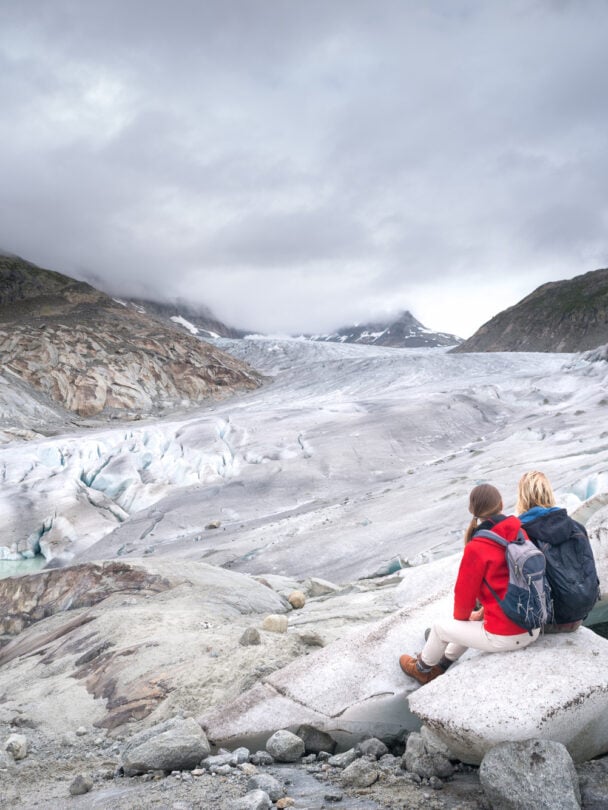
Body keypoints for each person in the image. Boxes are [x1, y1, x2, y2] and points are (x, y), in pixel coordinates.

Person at [399, 483, 540, 685]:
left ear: (472, 511)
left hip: (505, 636)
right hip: (532, 627)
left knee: (440, 628)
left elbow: (463, 601)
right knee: (472, 620)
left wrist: (464, 620)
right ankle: (443, 664)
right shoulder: (520, 533)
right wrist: (480, 614)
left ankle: (422, 669)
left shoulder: (477, 547)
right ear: (501, 503)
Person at [517, 471, 600, 632]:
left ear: (522, 497)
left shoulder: (522, 534)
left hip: (549, 621)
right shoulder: (575, 526)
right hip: (580, 615)